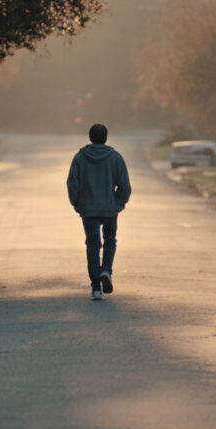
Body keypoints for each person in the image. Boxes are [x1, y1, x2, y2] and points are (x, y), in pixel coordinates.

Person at [66, 123, 131, 300]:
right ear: (106, 137)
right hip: (109, 209)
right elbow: (125, 186)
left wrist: (77, 203)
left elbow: (72, 183)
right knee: (110, 240)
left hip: (88, 210)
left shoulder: (80, 158)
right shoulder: (116, 158)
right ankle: (106, 271)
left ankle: (96, 287)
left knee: (93, 245)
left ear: (90, 137)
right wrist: (118, 202)